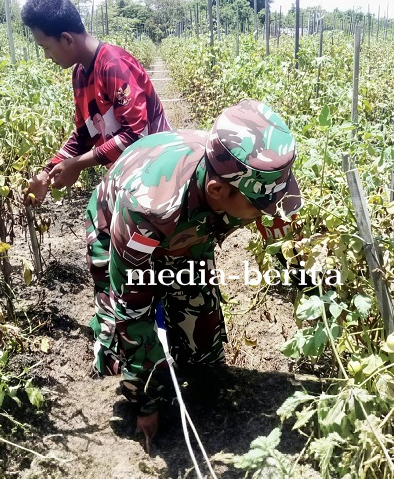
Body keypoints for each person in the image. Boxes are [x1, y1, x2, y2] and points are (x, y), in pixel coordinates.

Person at [85, 99, 301, 451]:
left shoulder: (251, 169)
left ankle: (197, 387)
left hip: (195, 225)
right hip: (120, 226)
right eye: (260, 208)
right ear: (218, 192)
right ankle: (131, 394)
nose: (269, 212)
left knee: (200, 317)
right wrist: (147, 402)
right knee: (120, 330)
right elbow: (133, 311)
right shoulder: (148, 208)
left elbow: (283, 228)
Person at [20, 0, 170, 205]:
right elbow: (84, 135)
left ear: (66, 39)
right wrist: (46, 173)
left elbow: (135, 136)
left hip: (159, 174)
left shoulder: (114, 64)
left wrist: (78, 164)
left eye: (46, 48)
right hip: (131, 179)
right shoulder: (80, 74)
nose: (46, 56)